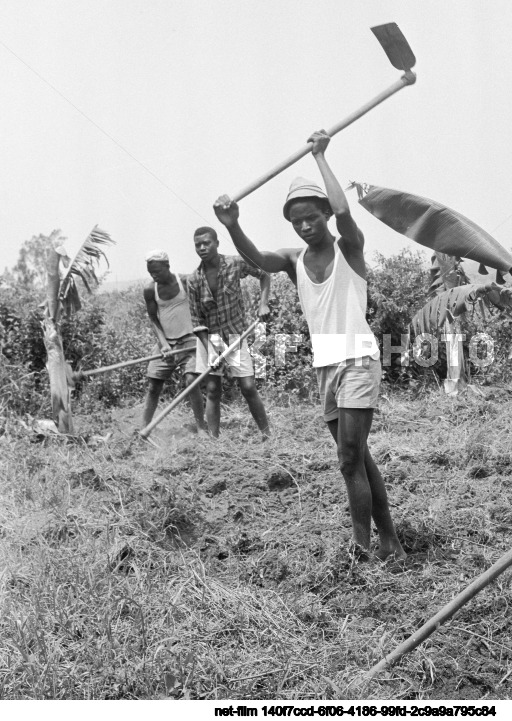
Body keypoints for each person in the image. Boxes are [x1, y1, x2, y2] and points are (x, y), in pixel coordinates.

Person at [212, 131, 405, 561]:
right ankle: (389, 538)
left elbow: (343, 209)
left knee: (348, 458)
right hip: (326, 369)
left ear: (323, 215)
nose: (303, 226)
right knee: (357, 456)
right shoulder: (293, 260)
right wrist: (232, 225)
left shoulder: (348, 248)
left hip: (357, 360)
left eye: (310, 217)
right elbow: (258, 259)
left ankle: (360, 547)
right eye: (296, 220)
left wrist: (321, 158)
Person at [187, 226, 271, 439]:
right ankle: (215, 441)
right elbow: (197, 320)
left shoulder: (235, 263)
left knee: (248, 386)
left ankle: (267, 435)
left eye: (207, 243)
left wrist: (263, 304)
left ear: (217, 243)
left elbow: (264, 275)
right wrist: (211, 350)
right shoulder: (194, 280)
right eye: (198, 244)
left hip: (236, 334)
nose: (203, 248)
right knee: (213, 389)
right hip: (210, 338)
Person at [141, 250, 207, 432]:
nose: (154, 276)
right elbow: (154, 319)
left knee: (191, 382)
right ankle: (143, 428)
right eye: (150, 273)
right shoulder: (150, 289)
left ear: (167, 266)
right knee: (154, 386)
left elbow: (202, 308)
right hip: (167, 344)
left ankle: (201, 427)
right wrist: (163, 344)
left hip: (191, 340)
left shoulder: (185, 281)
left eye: (157, 272)